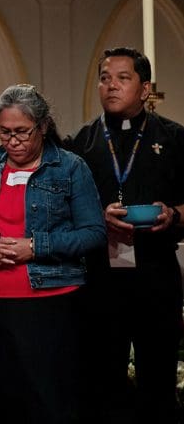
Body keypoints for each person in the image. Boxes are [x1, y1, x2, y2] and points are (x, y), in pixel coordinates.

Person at [0, 84, 105, 424]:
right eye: (4, 133)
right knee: (7, 402)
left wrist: (35, 247)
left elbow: (94, 233)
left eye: (22, 132)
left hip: (52, 302)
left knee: (51, 403)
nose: (13, 141)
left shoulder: (70, 168)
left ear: (43, 126)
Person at [66, 47, 184, 424]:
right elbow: (64, 210)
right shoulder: (81, 144)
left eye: (122, 78)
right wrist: (96, 218)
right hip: (100, 281)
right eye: (104, 78)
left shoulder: (176, 138)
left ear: (145, 88)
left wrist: (174, 213)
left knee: (159, 386)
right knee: (102, 386)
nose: (110, 86)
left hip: (157, 277)